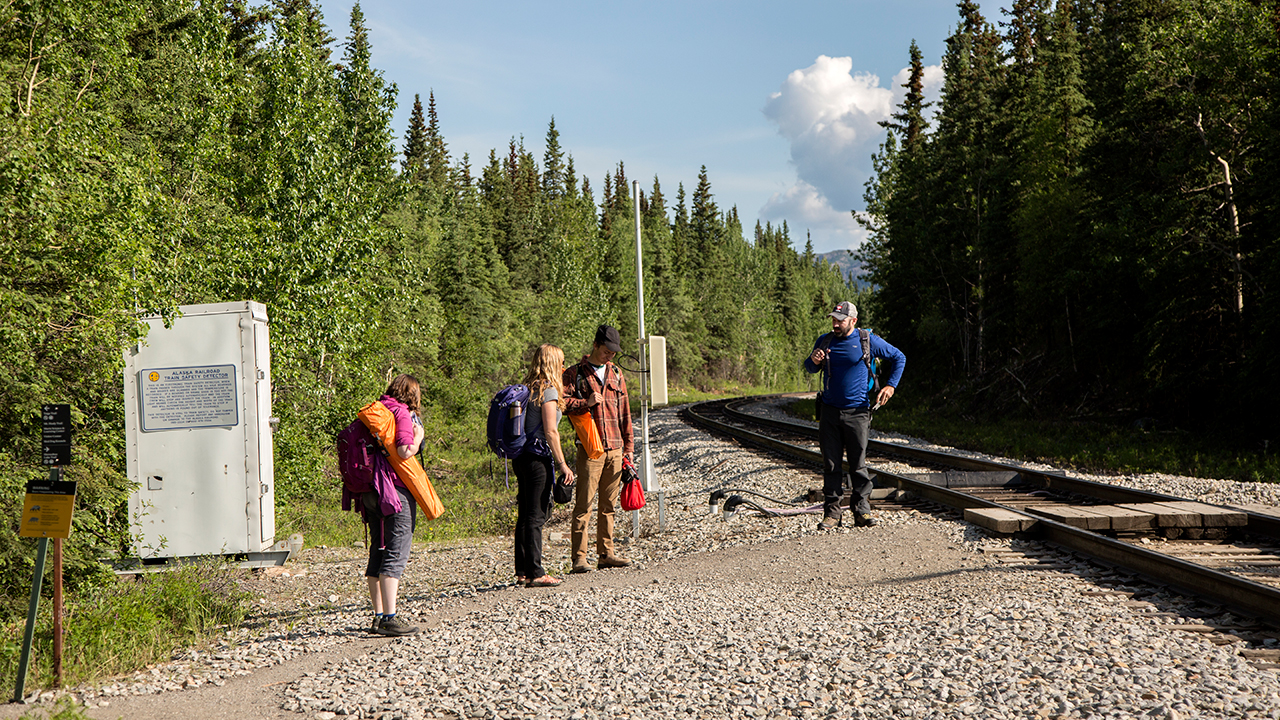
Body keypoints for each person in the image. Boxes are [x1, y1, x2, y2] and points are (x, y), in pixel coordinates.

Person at [803, 302, 905, 530]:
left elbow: (899, 357)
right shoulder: (825, 340)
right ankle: (832, 515)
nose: (836, 324)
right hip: (829, 412)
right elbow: (809, 368)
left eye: (840, 320)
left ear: (853, 321)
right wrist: (814, 361)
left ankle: (862, 512)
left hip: (858, 412)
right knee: (831, 465)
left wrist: (891, 386)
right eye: (834, 319)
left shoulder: (866, 340)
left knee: (858, 465)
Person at [563, 325, 634, 573]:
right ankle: (579, 559)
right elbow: (560, 403)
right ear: (595, 345)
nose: (610, 356)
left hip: (616, 448)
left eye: (613, 353)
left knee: (609, 505)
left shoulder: (616, 374)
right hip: (590, 449)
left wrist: (629, 449)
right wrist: (586, 402)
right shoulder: (574, 373)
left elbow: (625, 413)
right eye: (606, 352)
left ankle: (607, 554)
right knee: (584, 504)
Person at [365, 374, 424, 636]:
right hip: (395, 490)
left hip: (372, 490)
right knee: (396, 551)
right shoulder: (400, 412)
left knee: (378, 550)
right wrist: (418, 436)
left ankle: (378, 617)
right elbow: (404, 451)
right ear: (412, 394)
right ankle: (390, 618)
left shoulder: (377, 409)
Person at [514, 344, 576, 587]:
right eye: (560, 362)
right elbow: (551, 431)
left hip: (521, 457)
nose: (563, 367)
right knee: (535, 516)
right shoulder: (547, 391)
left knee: (525, 515)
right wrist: (563, 464)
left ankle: (523, 571)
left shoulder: (527, 388)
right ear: (552, 364)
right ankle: (537, 573)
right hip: (537, 458)